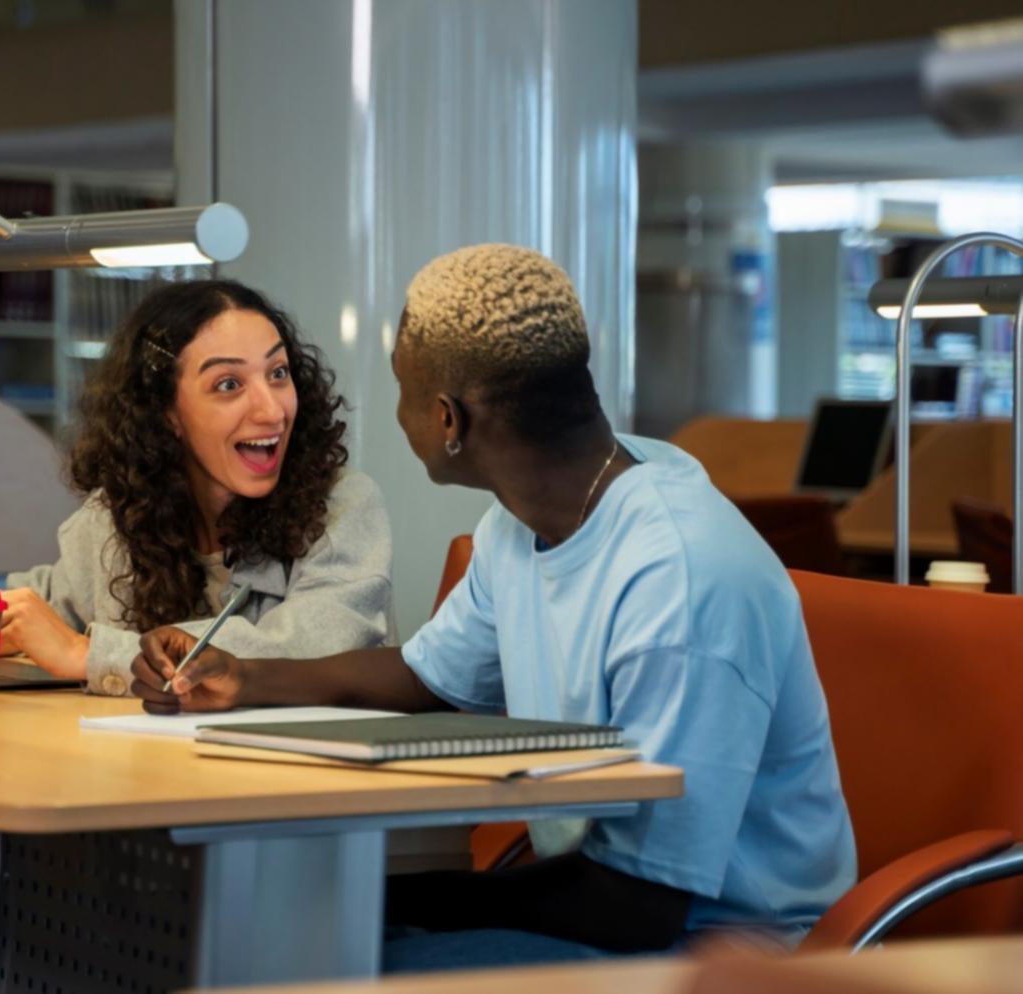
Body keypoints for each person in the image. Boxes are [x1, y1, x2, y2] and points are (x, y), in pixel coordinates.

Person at [130, 245, 857, 969]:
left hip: (723, 956)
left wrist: (411, 901)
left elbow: (641, 906)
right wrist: (244, 679)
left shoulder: (683, 581)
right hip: (605, 911)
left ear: (448, 419)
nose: (398, 413)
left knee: (316, 960)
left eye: (403, 391)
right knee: (294, 940)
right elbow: (426, 677)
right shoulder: (527, 519)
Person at [0, 279, 395, 694]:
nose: (272, 409)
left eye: (279, 373)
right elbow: (37, 608)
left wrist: (85, 655)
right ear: (166, 415)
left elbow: (312, 652)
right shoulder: (119, 517)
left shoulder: (342, 506)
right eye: (229, 385)